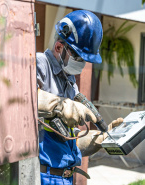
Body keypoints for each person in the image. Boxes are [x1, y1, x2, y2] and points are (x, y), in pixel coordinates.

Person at [37, 10, 123, 185]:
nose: (82, 63)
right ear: (59, 47)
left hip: (64, 178)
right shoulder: (40, 64)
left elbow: (69, 140)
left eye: (85, 59)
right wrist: (61, 106)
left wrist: (102, 138)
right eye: (78, 56)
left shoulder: (69, 82)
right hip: (42, 176)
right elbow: (22, 99)